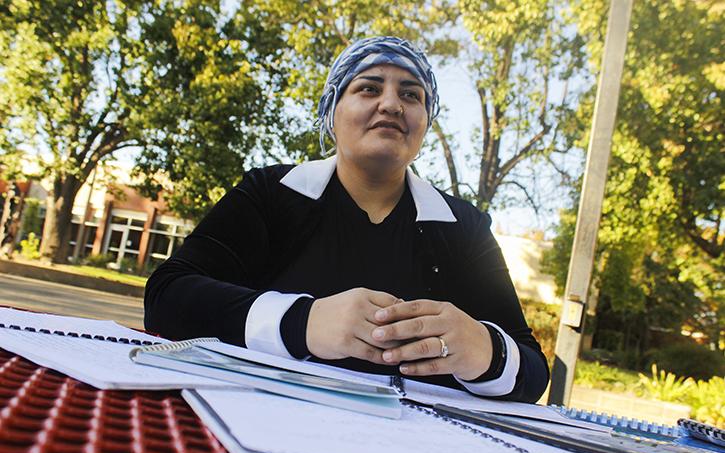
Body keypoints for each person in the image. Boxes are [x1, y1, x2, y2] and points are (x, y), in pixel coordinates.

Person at [144, 36, 549, 402]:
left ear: (426, 122)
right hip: (261, 420)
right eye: (369, 88)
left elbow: (531, 370)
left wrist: (485, 351)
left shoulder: (464, 228)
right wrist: (301, 323)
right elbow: (168, 297)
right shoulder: (270, 192)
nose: (391, 104)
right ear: (331, 111)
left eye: (412, 95)